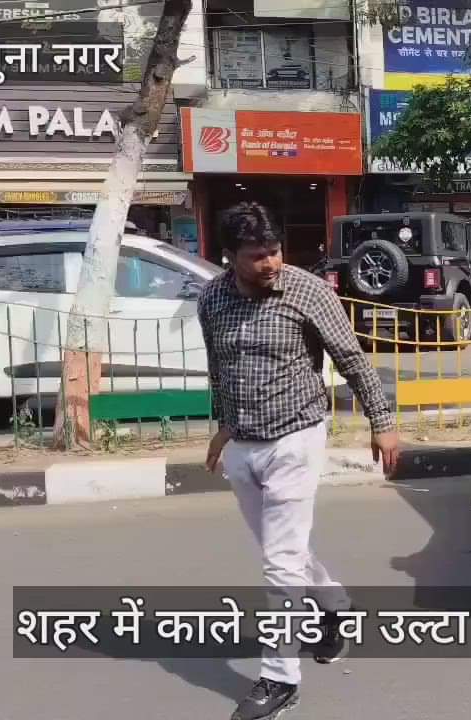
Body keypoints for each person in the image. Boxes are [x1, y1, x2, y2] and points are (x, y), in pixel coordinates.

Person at [199, 202, 401, 720]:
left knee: (280, 563)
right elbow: (220, 368)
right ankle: (335, 606)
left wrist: (382, 422)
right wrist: (222, 427)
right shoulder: (212, 299)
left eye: (275, 251)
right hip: (243, 444)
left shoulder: (307, 290)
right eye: (257, 255)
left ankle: (280, 679)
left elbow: (351, 356)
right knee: (278, 548)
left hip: (296, 437)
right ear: (230, 257)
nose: (271, 262)